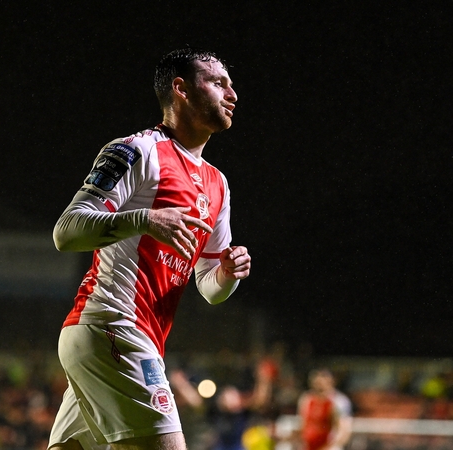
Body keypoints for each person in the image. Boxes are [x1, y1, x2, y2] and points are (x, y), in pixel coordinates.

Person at [48, 47, 252, 450]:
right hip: (114, 326)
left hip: (124, 339)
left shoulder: (217, 184)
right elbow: (66, 231)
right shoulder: (137, 151)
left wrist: (227, 273)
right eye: (218, 83)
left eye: (231, 84)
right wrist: (144, 219)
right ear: (181, 89)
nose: (232, 94)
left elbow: (209, 288)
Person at [296, 369, 352, 450]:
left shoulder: (339, 401)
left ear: (332, 381)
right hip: (309, 446)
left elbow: (344, 430)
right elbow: (302, 424)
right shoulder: (306, 399)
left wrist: (331, 446)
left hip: (329, 446)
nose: (319, 384)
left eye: (323, 380)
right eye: (317, 381)